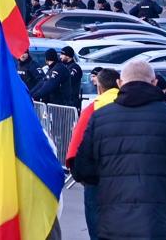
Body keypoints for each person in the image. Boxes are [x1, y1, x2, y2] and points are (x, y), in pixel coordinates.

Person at [71, 58, 166, 240]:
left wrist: (108, 176)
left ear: (120, 83)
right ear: (154, 82)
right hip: (159, 223)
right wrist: (165, 174)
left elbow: (82, 169)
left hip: (113, 223)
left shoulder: (100, 117)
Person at [66, 66, 119, 240]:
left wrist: (79, 173)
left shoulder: (93, 109)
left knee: (96, 224)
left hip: (96, 177)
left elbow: (76, 144)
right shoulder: (131, 105)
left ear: (100, 87)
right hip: (125, 176)